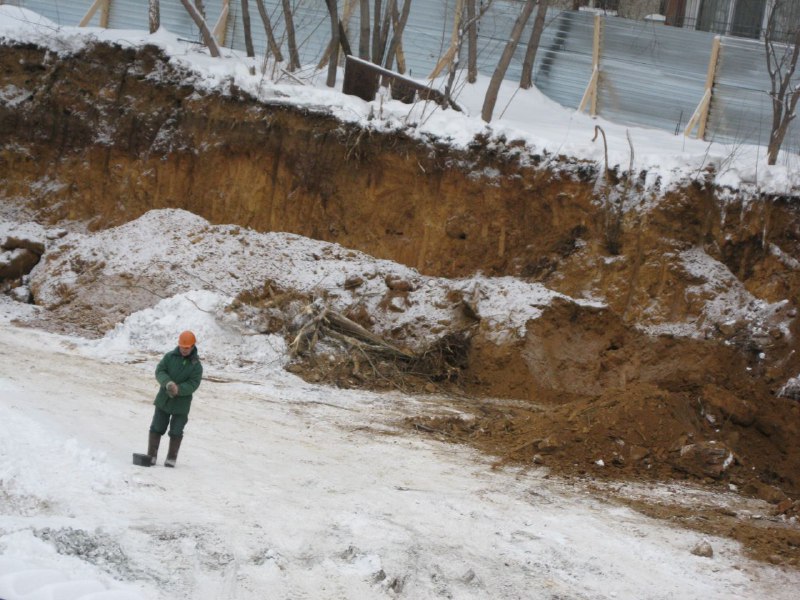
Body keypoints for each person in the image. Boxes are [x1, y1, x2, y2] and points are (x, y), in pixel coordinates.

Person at [146, 330, 203, 467]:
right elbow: (160, 371)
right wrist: (167, 383)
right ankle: (151, 456)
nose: (184, 350)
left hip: (181, 404)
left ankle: (171, 458)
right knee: (156, 427)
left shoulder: (196, 366)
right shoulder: (169, 357)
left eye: (187, 348)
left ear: (193, 346)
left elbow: (193, 384)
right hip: (164, 400)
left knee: (177, 430)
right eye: (182, 347)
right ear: (178, 345)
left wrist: (179, 389)